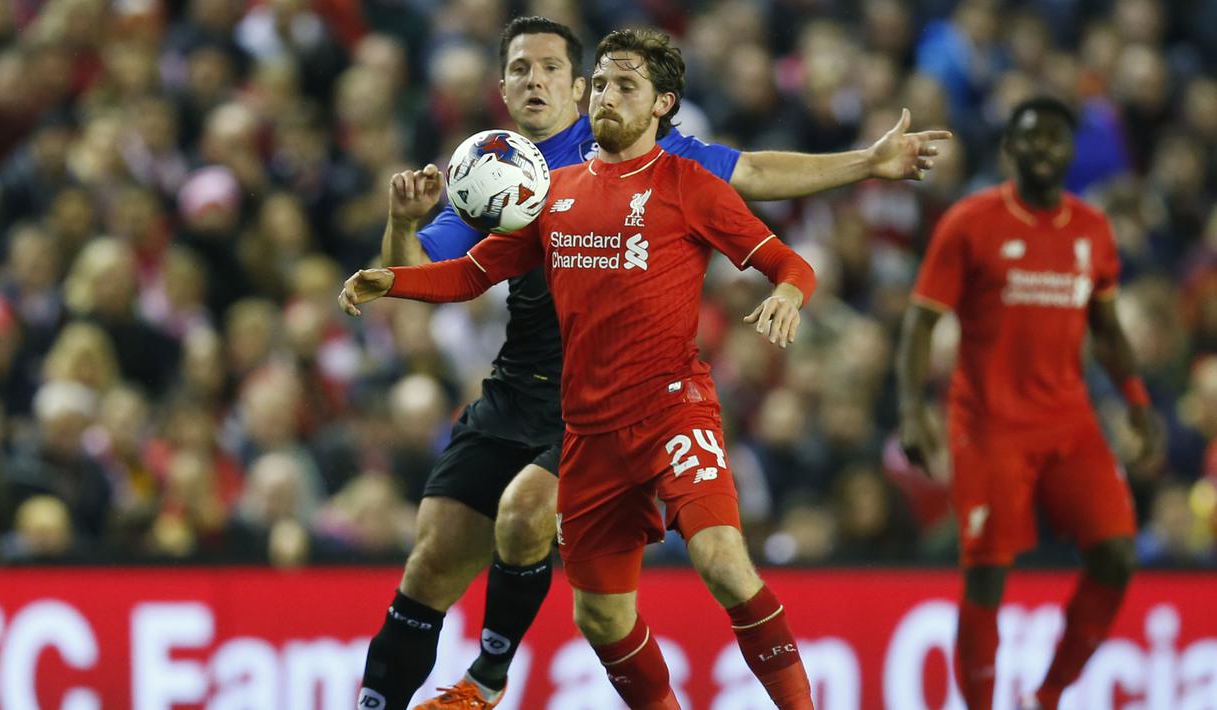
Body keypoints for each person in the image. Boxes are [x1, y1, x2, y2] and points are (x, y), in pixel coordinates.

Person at [359, 15, 949, 709]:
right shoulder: (506, 177)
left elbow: (756, 176)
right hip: (542, 393)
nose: (537, 80)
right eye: (520, 68)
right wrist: (394, 245)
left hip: (654, 402)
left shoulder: (668, 165)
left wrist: (864, 164)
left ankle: (486, 680)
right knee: (479, 574)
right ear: (502, 87)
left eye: (554, 68)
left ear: (578, 88)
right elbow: (447, 275)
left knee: (599, 532)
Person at [896, 96, 1164, 710]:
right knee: (987, 573)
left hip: (1069, 420)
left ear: (1071, 152)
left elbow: (1109, 327)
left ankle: (1047, 697)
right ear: (1009, 149)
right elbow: (919, 322)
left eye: (1054, 140)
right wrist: (912, 406)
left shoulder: (1092, 230)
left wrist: (1136, 399)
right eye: (1030, 139)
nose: (1043, 149)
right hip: (988, 423)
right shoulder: (971, 222)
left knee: (1117, 554)